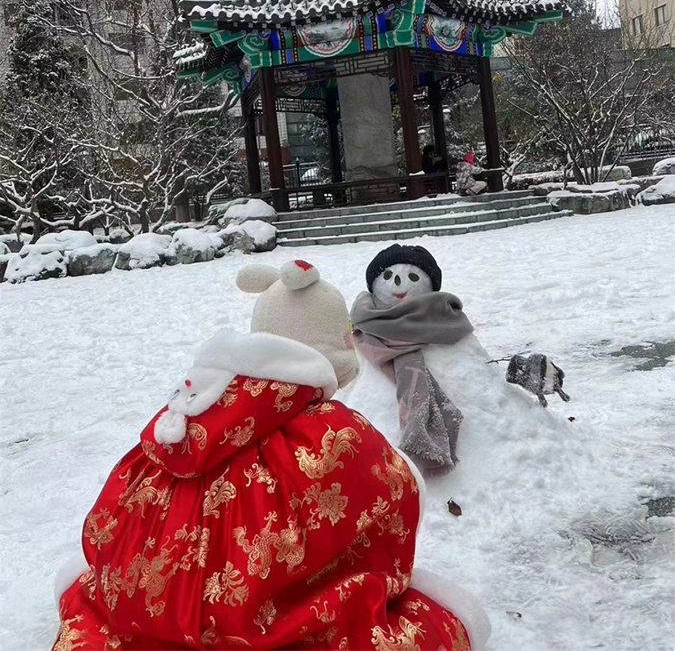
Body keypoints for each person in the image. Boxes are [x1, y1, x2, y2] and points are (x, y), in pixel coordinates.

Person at [52, 259, 490, 651]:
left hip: (137, 602)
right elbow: (390, 499)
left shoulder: (187, 410)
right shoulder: (331, 428)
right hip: (253, 618)